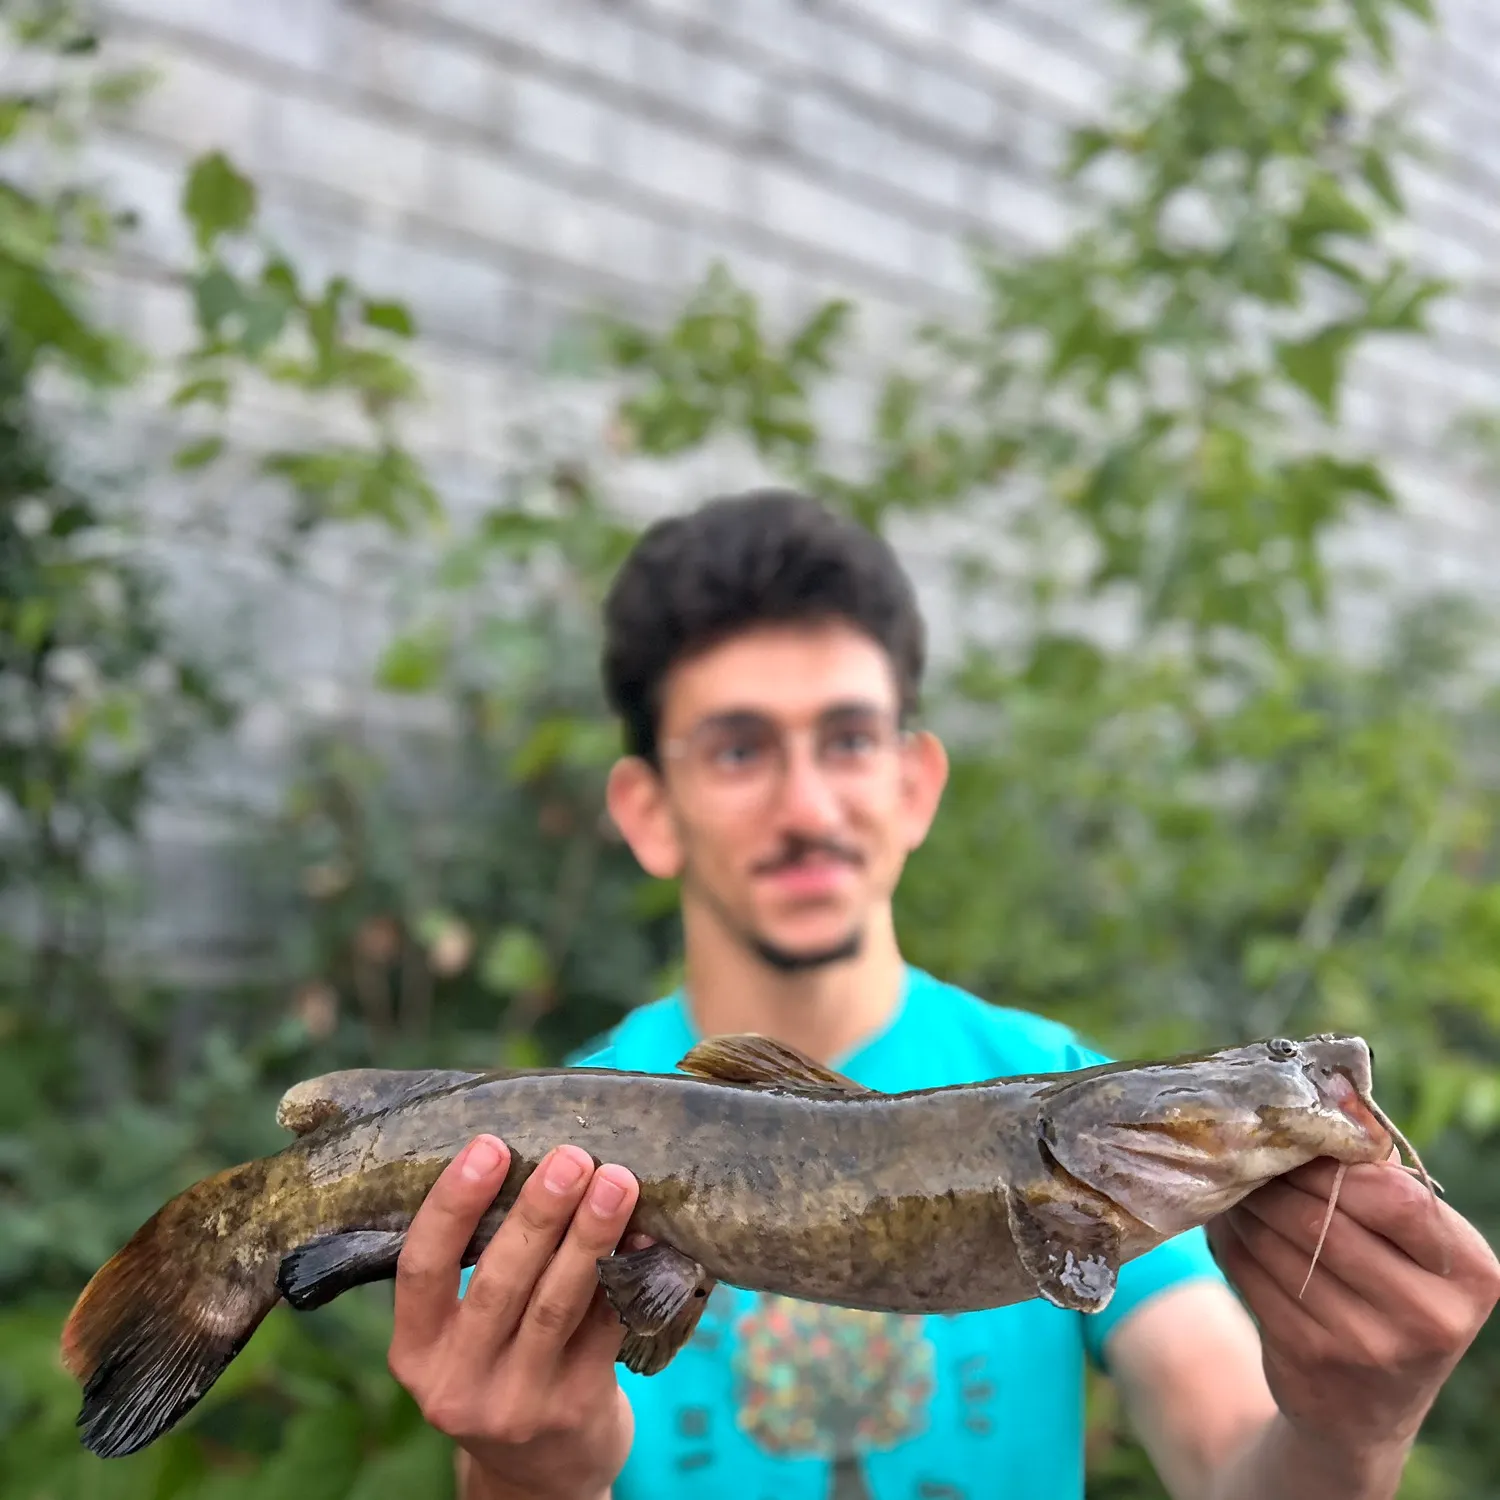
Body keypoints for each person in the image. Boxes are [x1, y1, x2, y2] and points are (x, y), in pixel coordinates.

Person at [383, 489, 1500, 1500]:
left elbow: (1232, 1463)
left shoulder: (1073, 1085)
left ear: (916, 785)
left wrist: (1353, 1435)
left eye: (850, 739)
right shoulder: (553, 1139)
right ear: (647, 809)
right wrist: (527, 1482)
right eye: (737, 751)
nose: (806, 803)